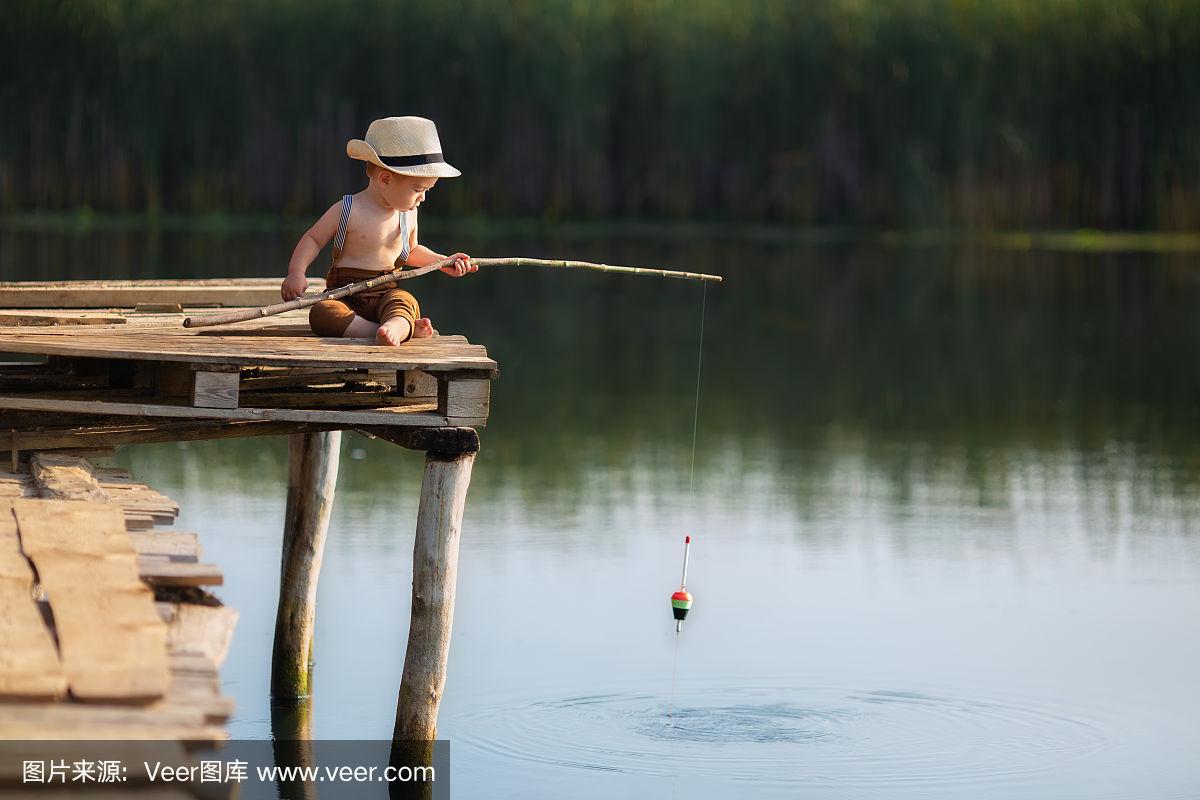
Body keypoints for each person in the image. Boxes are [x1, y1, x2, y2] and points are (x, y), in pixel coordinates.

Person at [281, 116, 477, 346]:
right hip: (345, 295)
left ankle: (395, 325)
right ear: (385, 179)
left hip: (386, 292)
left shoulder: (408, 213)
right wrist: (296, 272)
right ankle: (380, 329)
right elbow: (314, 239)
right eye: (418, 189)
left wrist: (442, 262)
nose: (423, 198)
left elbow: (410, 251)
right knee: (322, 313)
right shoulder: (348, 209)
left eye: (427, 190)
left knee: (405, 302)